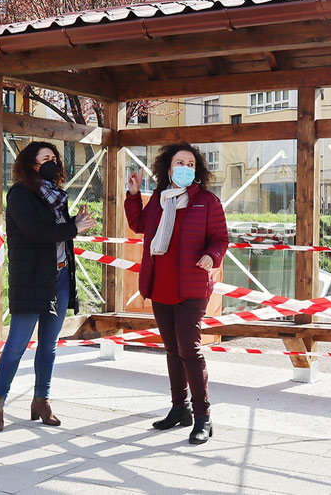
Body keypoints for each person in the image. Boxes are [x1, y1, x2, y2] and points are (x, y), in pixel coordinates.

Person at [0, 142, 97, 432]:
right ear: (30, 164)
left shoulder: (56, 196)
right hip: (32, 280)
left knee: (48, 346)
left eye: (54, 158)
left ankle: (41, 400)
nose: (52, 162)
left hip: (59, 278)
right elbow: (37, 233)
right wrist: (74, 228)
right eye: (45, 158)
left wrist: (75, 222)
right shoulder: (21, 194)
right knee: (17, 345)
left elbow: (56, 232)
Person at [125, 143, 228, 445]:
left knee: (190, 351)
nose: (185, 168)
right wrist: (134, 196)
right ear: (168, 169)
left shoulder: (207, 201)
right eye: (179, 163)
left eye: (190, 164)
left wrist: (212, 255)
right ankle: (179, 409)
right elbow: (139, 225)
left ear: (197, 170)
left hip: (192, 287)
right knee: (171, 350)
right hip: (160, 286)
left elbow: (220, 238)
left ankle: (203, 417)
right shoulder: (158, 198)